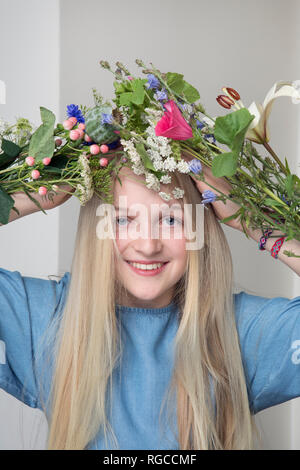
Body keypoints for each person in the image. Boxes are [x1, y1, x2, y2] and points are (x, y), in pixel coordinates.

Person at [0, 152, 300, 451]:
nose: (147, 245)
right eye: (122, 219)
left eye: (171, 219)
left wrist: (255, 223)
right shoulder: (44, 316)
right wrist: (28, 195)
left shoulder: (237, 331)